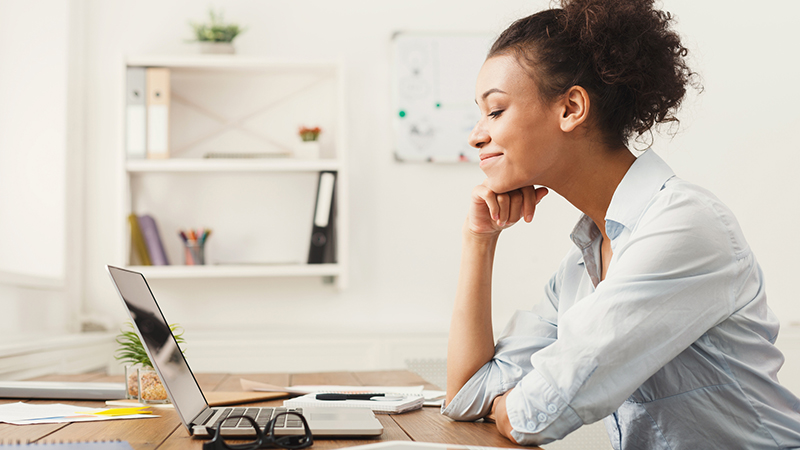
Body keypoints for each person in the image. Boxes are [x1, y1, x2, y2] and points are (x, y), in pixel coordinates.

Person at [442, 0, 800, 449]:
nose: (477, 134)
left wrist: (509, 406)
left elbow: (534, 417)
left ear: (571, 108)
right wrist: (480, 240)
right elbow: (466, 395)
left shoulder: (684, 227)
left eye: (495, 111)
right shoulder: (580, 266)